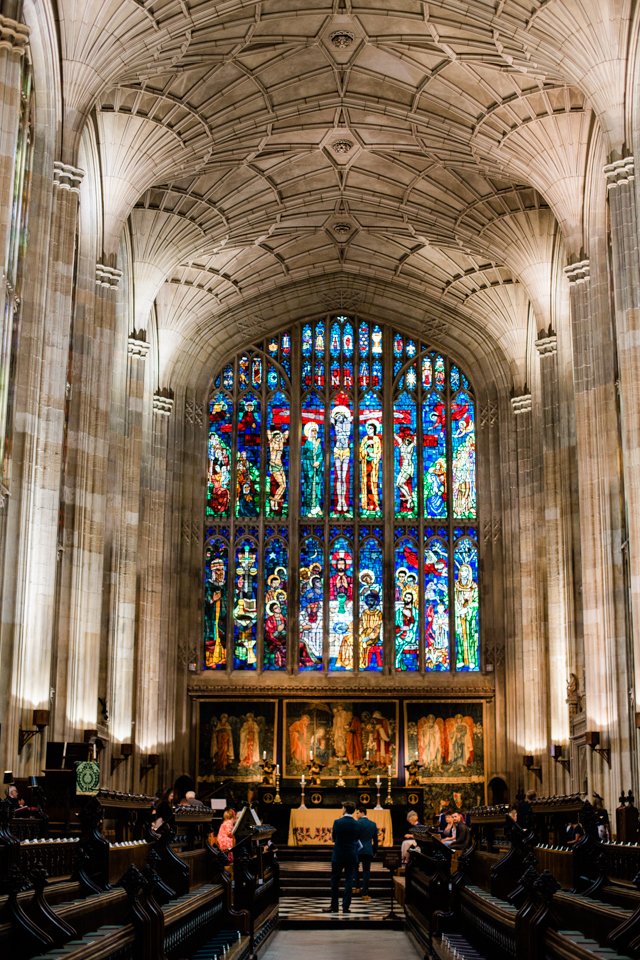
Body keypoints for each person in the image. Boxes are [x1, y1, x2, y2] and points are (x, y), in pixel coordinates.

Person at [324, 801, 361, 914]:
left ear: (344, 809)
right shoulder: (357, 824)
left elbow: (334, 838)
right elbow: (357, 838)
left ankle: (334, 906)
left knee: (335, 880)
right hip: (351, 855)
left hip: (338, 855)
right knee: (349, 880)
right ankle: (346, 907)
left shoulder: (337, 822)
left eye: (342, 807)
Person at [355, 806, 378, 900]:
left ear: (362, 812)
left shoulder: (356, 823)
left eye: (357, 813)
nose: (356, 815)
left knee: (355, 868)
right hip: (368, 850)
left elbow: (354, 837)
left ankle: (357, 887)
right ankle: (365, 893)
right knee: (366, 871)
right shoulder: (372, 824)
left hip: (357, 849)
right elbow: (375, 840)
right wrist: (375, 851)